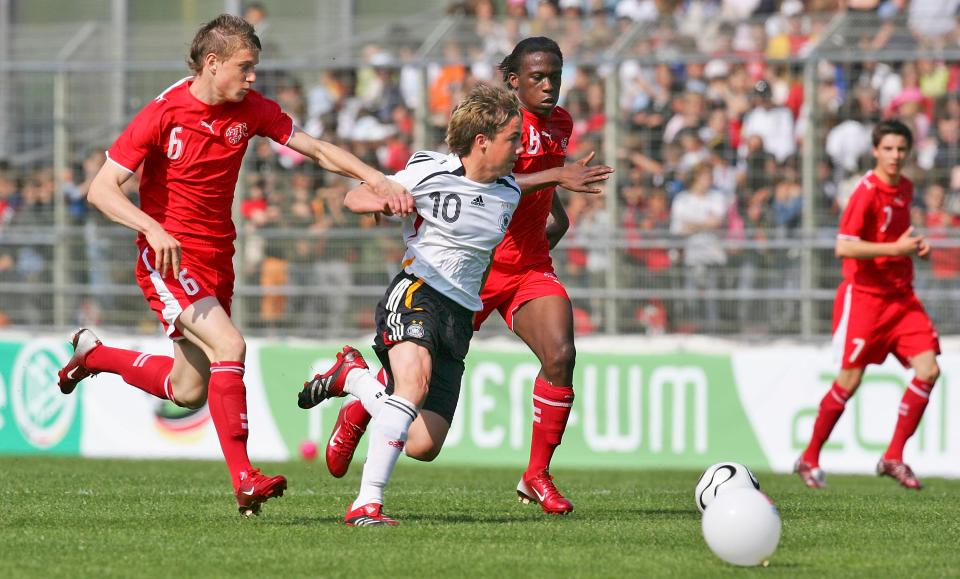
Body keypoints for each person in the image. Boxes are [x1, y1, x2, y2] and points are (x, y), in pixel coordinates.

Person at [55, 14, 413, 517]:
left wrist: (376, 178)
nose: (252, 78)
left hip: (219, 257)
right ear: (213, 63)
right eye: (245, 68)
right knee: (232, 345)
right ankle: (244, 478)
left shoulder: (252, 110)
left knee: (187, 389)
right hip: (168, 257)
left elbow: (313, 148)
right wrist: (153, 229)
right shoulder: (163, 112)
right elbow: (100, 189)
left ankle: (94, 357)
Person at [311, 37, 613, 516]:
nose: (550, 84)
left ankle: (536, 475)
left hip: (523, 266)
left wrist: (556, 211)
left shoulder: (559, 126)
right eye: (538, 76)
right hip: (457, 278)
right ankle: (361, 417)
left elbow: (517, 189)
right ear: (512, 81)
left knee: (560, 354)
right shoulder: (490, 131)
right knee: (407, 386)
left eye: (557, 74)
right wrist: (382, 197)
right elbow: (487, 181)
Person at [298, 82, 524, 526]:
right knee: (413, 385)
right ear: (483, 142)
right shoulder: (428, 169)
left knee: (423, 444)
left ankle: (357, 381)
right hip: (417, 291)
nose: (519, 147)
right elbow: (355, 196)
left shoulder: (510, 191)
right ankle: (367, 504)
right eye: (513, 138)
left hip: (460, 317)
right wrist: (386, 199)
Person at [795, 119, 940, 490]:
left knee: (928, 370)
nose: (895, 156)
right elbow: (844, 245)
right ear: (875, 151)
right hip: (865, 300)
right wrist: (895, 249)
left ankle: (893, 456)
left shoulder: (905, 188)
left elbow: (897, 238)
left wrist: (914, 249)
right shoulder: (865, 191)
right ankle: (809, 457)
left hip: (902, 298)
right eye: (888, 149)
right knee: (850, 380)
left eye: (901, 149)